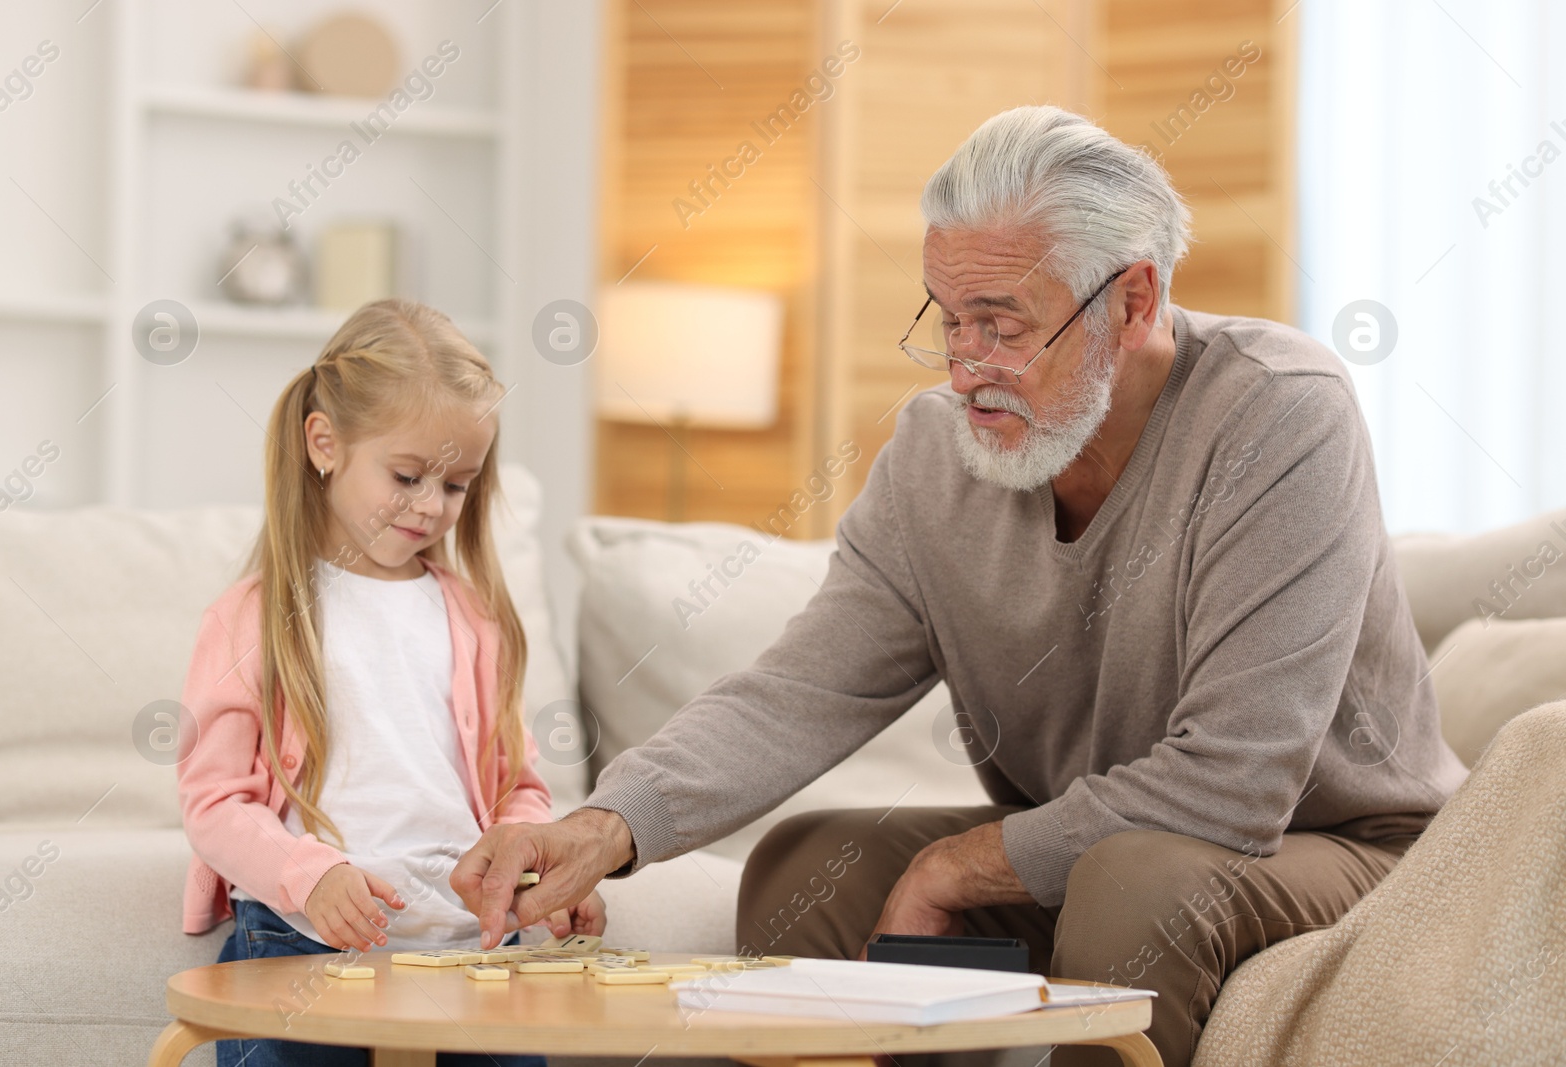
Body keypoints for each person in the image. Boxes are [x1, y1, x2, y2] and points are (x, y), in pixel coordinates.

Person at [450, 106, 1469, 1066]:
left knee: (1133, 882)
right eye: (947, 319)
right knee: (805, 868)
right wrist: (604, 825)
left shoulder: (1281, 415)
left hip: (1342, 844)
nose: (963, 367)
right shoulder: (935, 455)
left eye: (1002, 324)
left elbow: (1232, 783)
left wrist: (957, 866)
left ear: (1133, 300)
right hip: (1104, 839)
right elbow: (802, 689)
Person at [177, 298, 605, 1067]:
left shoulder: (473, 618)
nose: (429, 507)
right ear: (325, 443)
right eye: (407, 476)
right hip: (300, 933)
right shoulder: (253, 615)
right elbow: (213, 802)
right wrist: (309, 876)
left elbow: (518, 785)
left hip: (473, 943)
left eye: (456, 485)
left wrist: (541, 859)